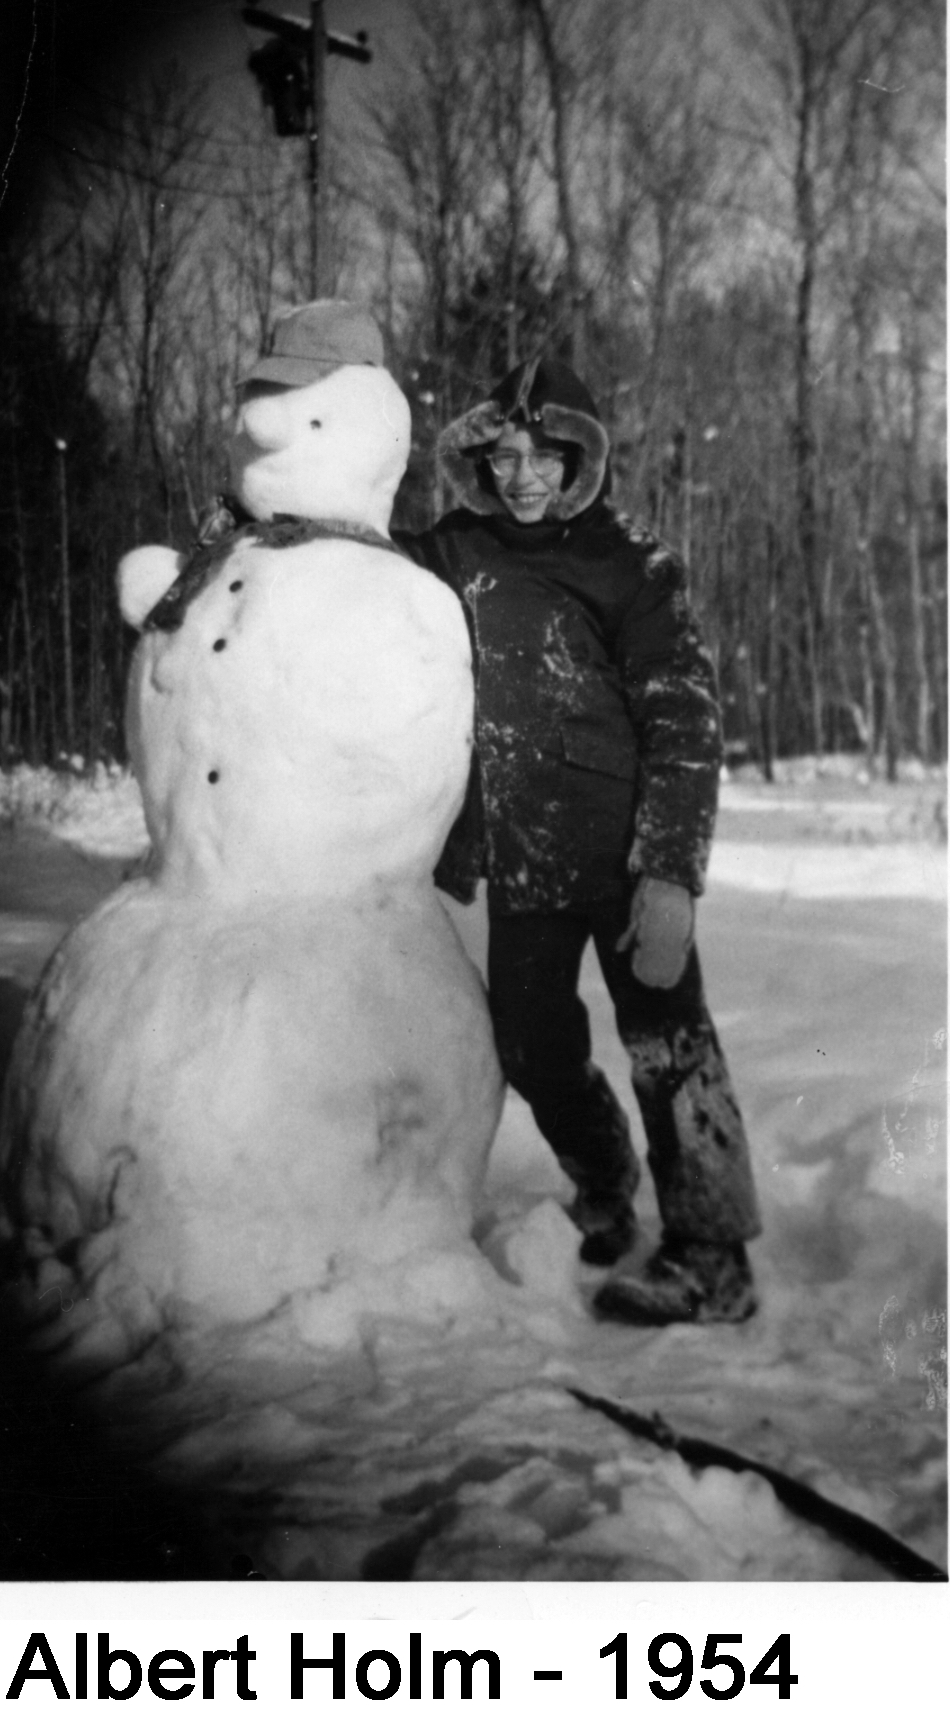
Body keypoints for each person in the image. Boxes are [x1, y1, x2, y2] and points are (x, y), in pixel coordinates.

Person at [397, 355, 761, 1325]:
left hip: (626, 860)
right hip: (524, 859)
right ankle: (604, 1179)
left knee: (668, 1046)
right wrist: (285, 528)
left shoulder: (630, 563)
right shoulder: (462, 547)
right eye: (505, 455)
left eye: (543, 456)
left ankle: (714, 1255)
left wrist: (671, 875)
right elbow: (371, 567)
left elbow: (685, 719)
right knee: (528, 1042)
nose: (522, 476)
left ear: (579, 457)